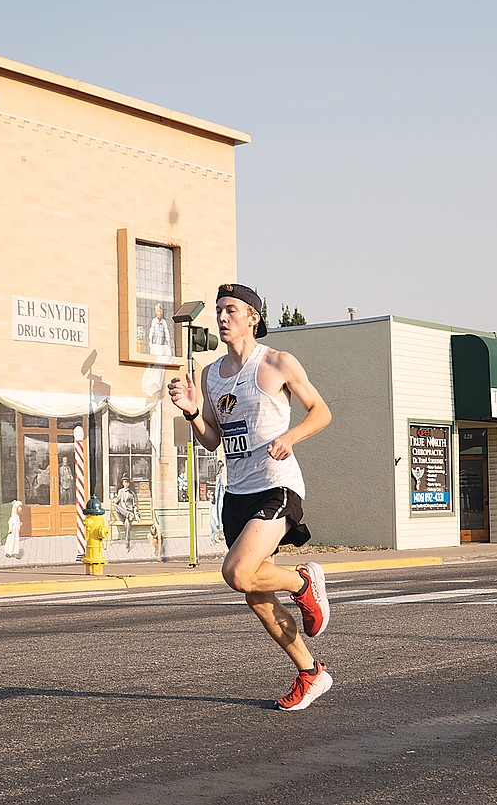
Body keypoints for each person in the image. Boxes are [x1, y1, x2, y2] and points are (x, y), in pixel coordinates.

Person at [167, 282, 333, 711]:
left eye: (231, 310)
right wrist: (191, 412)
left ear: (252, 317)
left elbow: (321, 411)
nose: (222, 318)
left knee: (238, 573)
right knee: (257, 595)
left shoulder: (277, 362)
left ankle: (303, 581)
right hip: (237, 491)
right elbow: (211, 441)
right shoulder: (211, 374)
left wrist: (291, 437)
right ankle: (311, 673)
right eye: (219, 311)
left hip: (277, 484)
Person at [209, 458, 226, 544]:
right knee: (216, 518)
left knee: (214, 518)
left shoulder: (216, 476)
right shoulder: (218, 477)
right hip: (218, 500)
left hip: (216, 500)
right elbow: (218, 490)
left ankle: (214, 536)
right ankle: (215, 535)